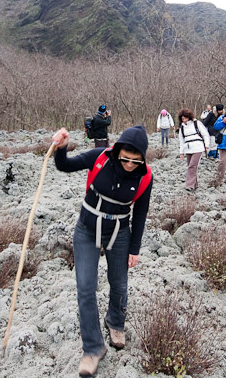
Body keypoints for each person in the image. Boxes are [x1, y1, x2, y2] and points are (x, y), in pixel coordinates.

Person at [52, 125, 153, 377]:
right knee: (85, 288)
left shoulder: (145, 177)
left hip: (120, 232)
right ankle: (93, 348)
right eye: (125, 158)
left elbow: (139, 214)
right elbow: (64, 165)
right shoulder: (100, 156)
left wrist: (135, 248)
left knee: (118, 283)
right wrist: (61, 147)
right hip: (86, 229)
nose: (129, 164)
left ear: (143, 157)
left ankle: (115, 322)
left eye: (135, 159)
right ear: (117, 151)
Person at [177, 109, 209, 192]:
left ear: (189, 117)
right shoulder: (182, 128)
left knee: (192, 166)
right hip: (188, 148)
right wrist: (181, 152)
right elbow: (181, 140)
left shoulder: (197, 123)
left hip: (198, 147)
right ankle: (194, 184)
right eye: (183, 119)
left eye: (186, 118)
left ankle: (189, 185)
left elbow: (205, 134)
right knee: (190, 166)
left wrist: (207, 146)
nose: (184, 120)